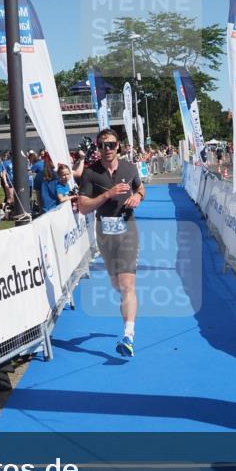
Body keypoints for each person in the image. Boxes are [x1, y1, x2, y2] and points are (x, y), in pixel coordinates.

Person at [76, 127, 145, 358]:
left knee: (127, 285)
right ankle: (125, 310)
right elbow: (83, 206)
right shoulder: (90, 173)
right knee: (117, 284)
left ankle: (128, 336)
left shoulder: (129, 167)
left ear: (119, 147)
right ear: (97, 147)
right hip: (104, 230)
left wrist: (137, 197)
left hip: (127, 228)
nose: (107, 149)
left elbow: (140, 187)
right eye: (103, 145)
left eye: (112, 145)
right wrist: (108, 194)